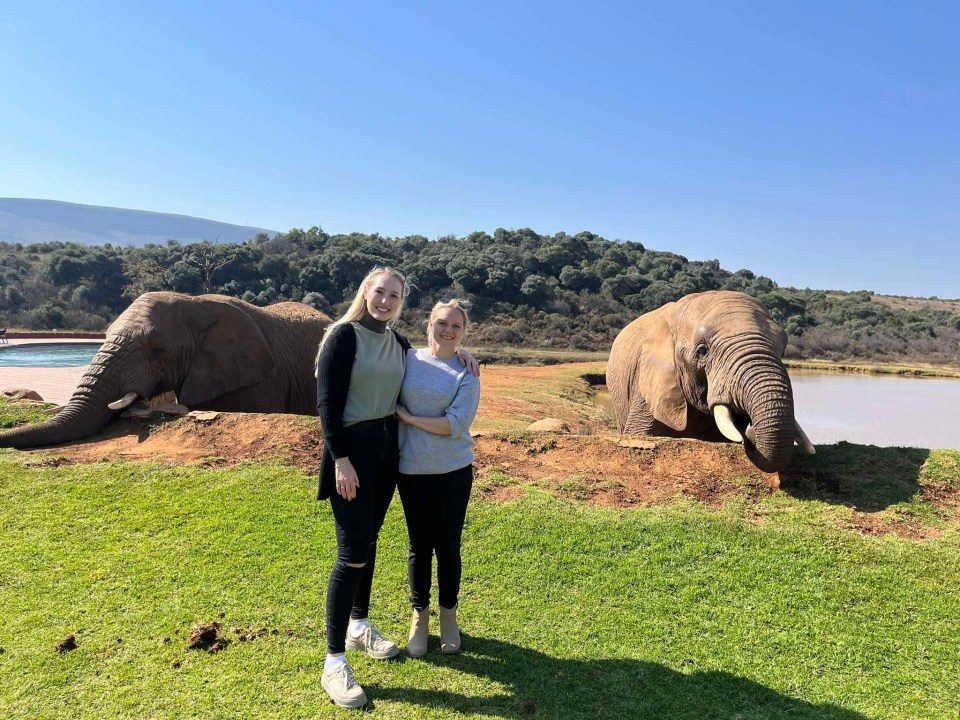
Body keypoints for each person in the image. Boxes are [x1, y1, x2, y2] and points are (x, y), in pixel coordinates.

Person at [315, 270, 477, 709]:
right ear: (365, 292)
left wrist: (467, 357)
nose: (385, 301)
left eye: (394, 296)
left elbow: (440, 355)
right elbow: (327, 403)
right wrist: (341, 461)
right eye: (379, 292)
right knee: (352, 555)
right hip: (352, 458)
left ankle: (359, 623)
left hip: (388, 458)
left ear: (403, 302)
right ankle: (334, 663)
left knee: (369, 541)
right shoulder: (342, 336)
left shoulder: (398, 344)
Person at [395, 299, 481, 658]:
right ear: (429, 324)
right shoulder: (406, 359)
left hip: (453, 472)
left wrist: (410, 418)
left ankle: (448, 616)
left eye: (456, 327)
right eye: (442, 323)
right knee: (419, 547)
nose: (448, 331)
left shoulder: (467, 372)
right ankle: (420, 617)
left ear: (463, 332)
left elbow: (456, 425)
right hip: (411, 470)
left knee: (448, 547)